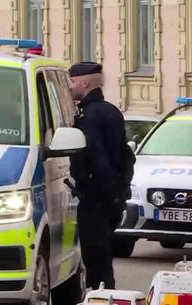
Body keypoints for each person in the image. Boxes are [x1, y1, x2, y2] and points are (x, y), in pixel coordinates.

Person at [68, 62, 127, 290]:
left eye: (72, 82)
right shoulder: (111, 111)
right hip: (110, 194)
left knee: (95, 251)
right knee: (101, 251)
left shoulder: (89, 116)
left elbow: (97, 158)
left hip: (96, 195)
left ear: (84, 82)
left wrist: (86, 186)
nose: (69, 87)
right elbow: (125, 157)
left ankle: (100, 298)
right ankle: (103, 294)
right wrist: (118, 193)